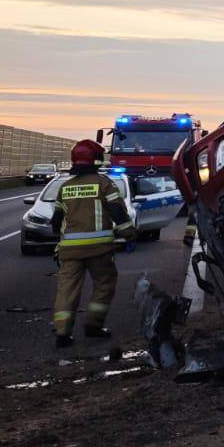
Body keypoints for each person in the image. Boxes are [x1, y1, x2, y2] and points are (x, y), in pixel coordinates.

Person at [49, 139, 135, 348]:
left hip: (70, 251)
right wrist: (129, 234)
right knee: (104, 283)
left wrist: (61, 239)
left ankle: (62, 332)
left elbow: (56, 221)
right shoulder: (104, 183)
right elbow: (118, 212)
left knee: (67, 289)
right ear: (96, 159)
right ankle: (93, 325)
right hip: (99, 249)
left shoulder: (65, 186)